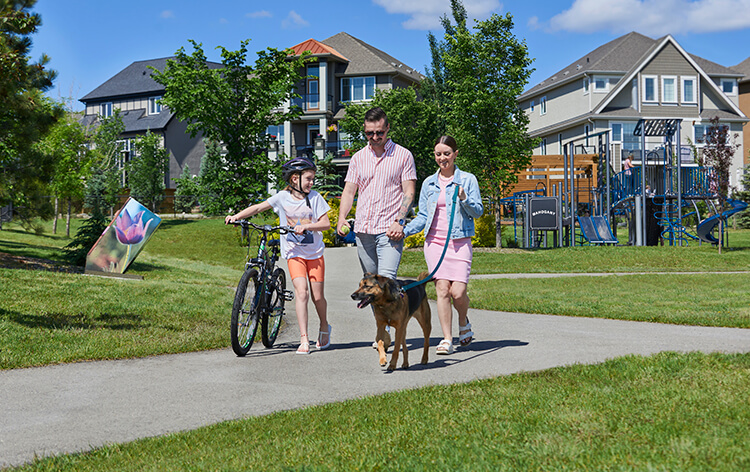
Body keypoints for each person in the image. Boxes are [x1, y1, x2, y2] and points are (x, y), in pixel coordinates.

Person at [226, 157, 331, 355]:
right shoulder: (282, 198)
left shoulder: (315, 198)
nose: (312, 182)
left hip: (314, 254)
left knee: (317, 297)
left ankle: (324, 326)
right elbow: (258, 207)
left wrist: (306, 226)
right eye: (308, 178)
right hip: (294, 253)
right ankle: (304, 339)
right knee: (302, 293)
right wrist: (237, 216)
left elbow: (325, 224)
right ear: (294, 179)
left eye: (312, 179)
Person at [336, 107, 417, 348]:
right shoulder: (358, 157)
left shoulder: (403, 155)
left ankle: (394, 329)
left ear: (387, 129)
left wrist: (400, 221)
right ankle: (383, 331)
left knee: (388, 283)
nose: (374, 138)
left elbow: (409, 191)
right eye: (369, 133)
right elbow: (349, 190)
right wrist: (342, 218)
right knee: (371, 287)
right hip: (363, 231)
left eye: (379, 133)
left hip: (389, 231)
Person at [403, 136, 483, 355]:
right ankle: (447, 338)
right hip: (435, 244)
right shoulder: (429, 182)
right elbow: (422, 216)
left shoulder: (467, 179)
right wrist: (404, 230)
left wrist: (465, 197)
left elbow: (478, 211)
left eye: (447, 153)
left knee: (458, 292)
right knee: (442, 290)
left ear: (456, 154)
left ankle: (463, 321)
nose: (442, 158)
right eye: (438, 154)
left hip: (459, 243)